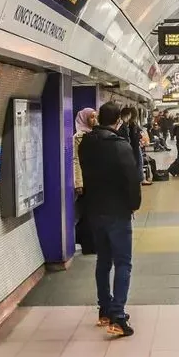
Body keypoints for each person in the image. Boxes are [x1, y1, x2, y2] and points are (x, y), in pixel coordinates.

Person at [78, 101, 141, 337]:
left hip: (94, 212)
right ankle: (118, 315)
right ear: (117, 121)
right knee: (123, 263)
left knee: (103, 261)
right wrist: (133, 205)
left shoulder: (85, 144)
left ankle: (104, 311)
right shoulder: (120, 146)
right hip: (117, 213)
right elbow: (131, 180)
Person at [72, 107, 98, 254]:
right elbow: (75, 160)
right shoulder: (78, 137)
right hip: (85, 180)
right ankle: (88, 245)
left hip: (94, 178)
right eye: (91, 117)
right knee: (87, 213)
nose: (94, 120)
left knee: (92, 212)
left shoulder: (94, 135)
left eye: (96, 117)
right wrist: (78, 182)